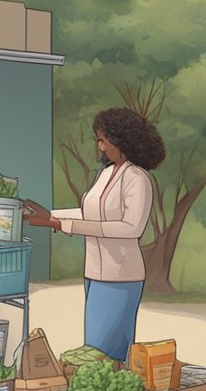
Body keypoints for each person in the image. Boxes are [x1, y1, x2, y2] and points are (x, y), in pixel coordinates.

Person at [22, 107, 163, 363]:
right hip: (94, 274)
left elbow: (131, 228)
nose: (100, 147)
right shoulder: (106, 173)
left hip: (121, 278)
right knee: (92, 351)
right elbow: (90, 213)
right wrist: (50, 215)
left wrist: (60, 224)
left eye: (103, 140)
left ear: (122, 141)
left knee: (107, 355)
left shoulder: (137, 178)